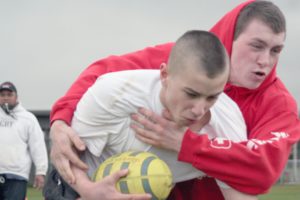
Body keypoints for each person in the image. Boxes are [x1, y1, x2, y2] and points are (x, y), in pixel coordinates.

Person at [49, 0, 300, 199]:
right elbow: (102, 73)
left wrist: (186, 144)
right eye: (257, 46)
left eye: (276, 50)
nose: (265, 61)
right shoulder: (182, 60)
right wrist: (60, 122)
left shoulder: (277, 105)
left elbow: (264, 166)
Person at [62, 30, 257, 200]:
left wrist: (188, 145)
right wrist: (89, 191)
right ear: (164, 75)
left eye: (212, 97)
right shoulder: (114, 94)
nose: (199, 109)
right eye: (191, 94)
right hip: (81, 186)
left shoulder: (228, 124)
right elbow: (66, 154)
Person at [0, 81, 48, 200]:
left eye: (9, 95)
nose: (5, 98)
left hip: (17, 176)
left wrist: (41, 171)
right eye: (2, 95)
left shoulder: (28, 119)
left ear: (16, 97)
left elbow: (38, 146)